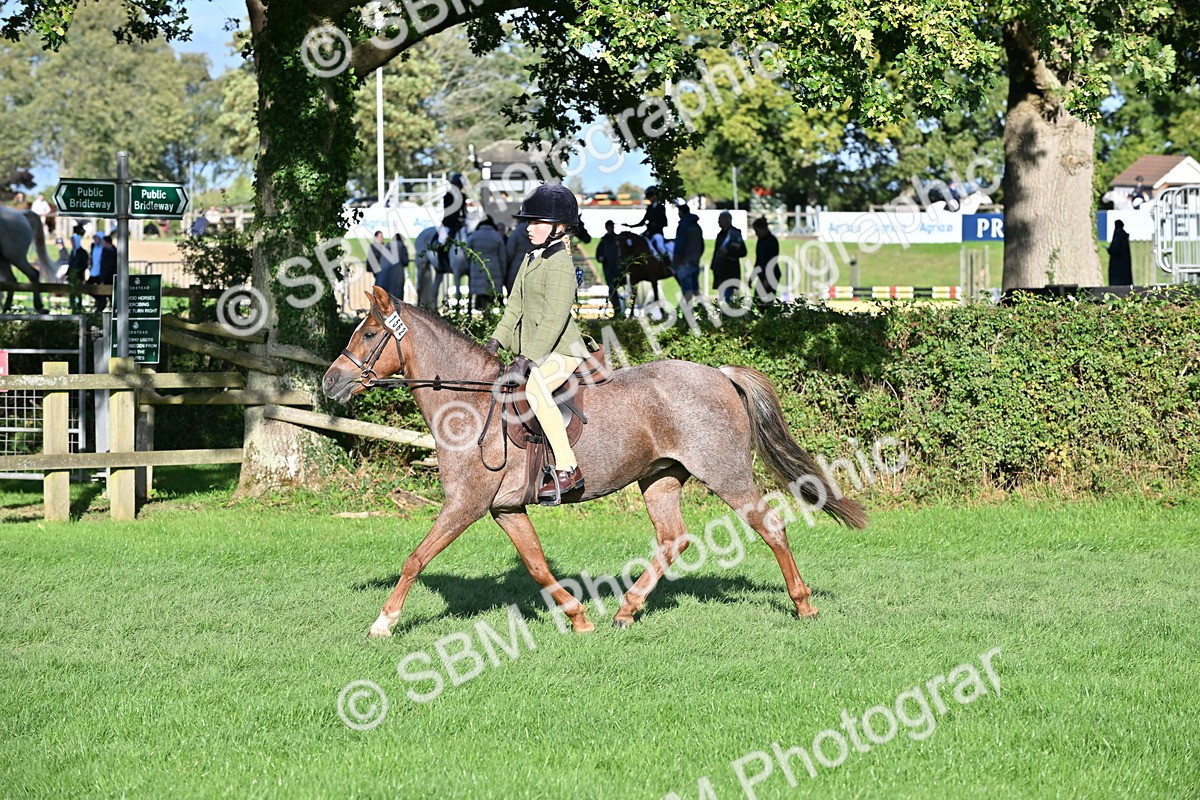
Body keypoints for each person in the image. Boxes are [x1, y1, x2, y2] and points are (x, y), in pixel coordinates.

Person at [484, 184, 589, 504]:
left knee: (534, 389)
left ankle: (568, 467)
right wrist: (495, 341)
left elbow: (555, 319)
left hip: (563, 350)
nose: (529, 228)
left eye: (537, 223)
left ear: (559, 228)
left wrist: (528, 357)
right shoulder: (531, 259)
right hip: (535, 351)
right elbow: (513, 306)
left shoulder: (561, 265)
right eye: (528, 222)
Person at [466, 216, 506, 311]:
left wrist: (470, 266)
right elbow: (503, 258)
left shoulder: (474, 236)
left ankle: (483, 317)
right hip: (494, 272)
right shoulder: (497, 236)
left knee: (481, 298)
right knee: (493, 297)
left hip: (477, 270)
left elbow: (467, 254)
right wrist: (503, 273)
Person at [626, 185, 669, 261]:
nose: (651, 198)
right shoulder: (649, 207)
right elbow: (643, 221)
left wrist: (654, 225)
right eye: (649, 196)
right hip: (648, 233)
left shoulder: (661, 207)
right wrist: (631, 226)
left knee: (660, 247)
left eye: (652, 196)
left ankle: (667, 262)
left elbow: (664, 222)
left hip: (657, 233)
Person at [711, 211, 746, 302]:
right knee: (722, 298)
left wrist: (728, 252)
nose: (718, 222)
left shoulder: (735, 234)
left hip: (729, 271)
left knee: (727, 298)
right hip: (720, 270)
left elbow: (742, 251)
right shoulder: (720, 234)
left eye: (720, 219)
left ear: (726, 220)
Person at [672, 203, 704, 302]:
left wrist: (676, 262)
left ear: (681, 212)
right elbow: (702, 245)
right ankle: (706, 311)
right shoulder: (696, 226)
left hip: (684, 263)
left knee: (687, 292)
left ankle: (688, 315)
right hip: (695, 261)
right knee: (695, 291)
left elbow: (679, 245)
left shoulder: (683, 225)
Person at [438, 173, 468, 275]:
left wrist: (464, 219)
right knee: (442, 240)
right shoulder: (447, 196)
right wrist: (457, 219)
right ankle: (441, 262)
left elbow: (464, 211)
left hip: (460, 225)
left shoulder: (463, 196)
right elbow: (447, 212)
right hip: (448, 223)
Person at [750, 217, 781, 303]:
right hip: (762, 274)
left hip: (771, 274)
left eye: (757, 231)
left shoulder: (772, 241)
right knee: (757, 300)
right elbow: (758, 261)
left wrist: (768, 279)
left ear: (763, 229)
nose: (756, 234)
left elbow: (772, 261)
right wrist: (752, 276)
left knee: (766, 301)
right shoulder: (760, 241)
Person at [596, 219, 624, 316]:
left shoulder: (618, 239)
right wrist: (601, 258)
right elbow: (598, 254)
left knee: (617, 288)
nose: (610, 228)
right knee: (612, 289)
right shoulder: (604, 240)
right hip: (608, 268)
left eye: (611, 226)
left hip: (618, 267)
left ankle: (620, 310)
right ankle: (617, 311)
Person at [505, 219, 533, 293]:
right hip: (532, 263)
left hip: (516, 266)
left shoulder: (515, 233)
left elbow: (509, 252)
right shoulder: (535, 232)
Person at [90, 234, 117, 313]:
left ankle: (100, 311)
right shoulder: (110, 251)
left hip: (109, 278)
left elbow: (107, 267)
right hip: (109, 277)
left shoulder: (110, 252)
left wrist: (103, 280)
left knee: (108, 296)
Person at [1108, 219, 1133, 285]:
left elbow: (1114, 249)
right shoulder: (1124, 236)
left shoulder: (1118, 235)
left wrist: (1109, 250)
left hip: (1117, 265)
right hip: (1124, 263)